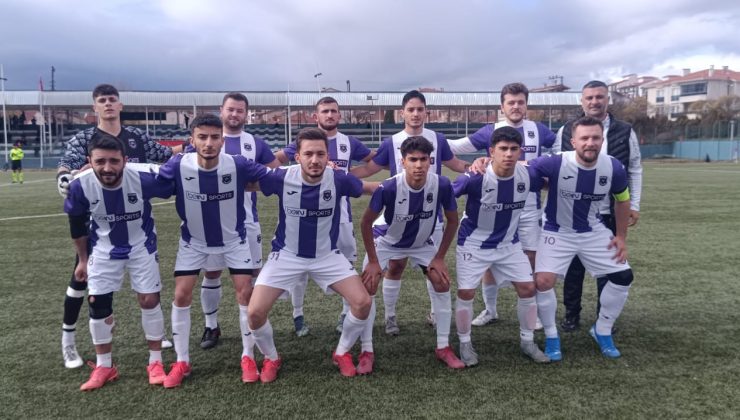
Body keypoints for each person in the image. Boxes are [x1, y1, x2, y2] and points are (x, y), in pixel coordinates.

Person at [56, 84, 179, 369]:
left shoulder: (136, 136)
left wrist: (192, 147)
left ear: (120, 105)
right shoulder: (85, 138)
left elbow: (165, 154)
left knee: (148, 286)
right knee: (82, 281)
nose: (108, 104)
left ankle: (156, 336)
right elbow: (66, 165)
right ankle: (68, 342)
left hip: (135, 220)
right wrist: (65, 177)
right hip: (99, 225)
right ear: (95, 107)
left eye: (113, 99)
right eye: (102, 100)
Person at [247, 127, 377, 382]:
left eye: (320, 154)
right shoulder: (282, 177)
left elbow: (369, 187)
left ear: (328, 156)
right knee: (254, 313)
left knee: (363, 303)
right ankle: (271, 357)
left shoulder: (339, 179)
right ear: (298, 157)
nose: (314, 160)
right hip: (286, 255)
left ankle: (341, 352)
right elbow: (247, 184)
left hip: (327, 255)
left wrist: (405, 182)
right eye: (308, 154)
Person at [156, 114, 269, 388]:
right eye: (202, 137)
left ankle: (248, 356)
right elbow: (148, 179)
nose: (208, 143)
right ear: (192, 140)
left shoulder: (237, 164)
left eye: (214, 137)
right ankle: (182, 360)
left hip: (233, 241)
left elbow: (274, 176)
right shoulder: (178, 164)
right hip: (194, 241)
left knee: (245, 292)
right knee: (181, 294)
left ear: (222, 140)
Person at [351, 90, 469, 334]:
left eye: (420, 109)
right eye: (411, 109)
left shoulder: (438, 139)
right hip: (400, 214)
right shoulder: (392, 142)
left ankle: (435, 314)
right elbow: (370, 169)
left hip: (431, 216)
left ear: (426, 112)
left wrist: (478, 165)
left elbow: (456, 164)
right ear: (402, 113)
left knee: (433, 270)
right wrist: (339, 175)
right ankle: (390, 317)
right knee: (395, 267)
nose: (415, 114)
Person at [64, 132, 173, 391]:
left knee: (149, 299)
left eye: (114, 161)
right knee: (97, 302)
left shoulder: (144, 177)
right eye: (100, 161)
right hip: (103, 249)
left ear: (125, 160)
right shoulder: (80, 185)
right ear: (89, 161)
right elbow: (76, 224)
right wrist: (82, 260)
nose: (107, 167)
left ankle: (155, 362)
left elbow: (177, 177)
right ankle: (105, 366)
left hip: (141, 246)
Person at [449, 82, 555, 327]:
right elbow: (455, 146)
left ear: (526, 104)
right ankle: (490, 310)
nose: (516, 106)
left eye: (520, 102)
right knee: (488, 257)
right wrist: (471, 162)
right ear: (502, 106)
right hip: (495, 203)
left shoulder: (539, 130)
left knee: (530, 258)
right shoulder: (490, 131)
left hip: (528, 207)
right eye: (511, 102)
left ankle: (532, 311)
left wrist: (538, 163)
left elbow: (563, 149)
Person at [529, 116, 635, 360]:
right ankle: (552, 336)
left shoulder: (613, 167)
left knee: (623, 277)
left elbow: (622, 200)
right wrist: (484, 162)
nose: (590, 143)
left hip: (592, 230)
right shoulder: (555, 162)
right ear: (573, 142)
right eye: (584, 138)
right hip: (556, 230)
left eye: (595, 138)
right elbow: (523, 167)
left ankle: (602, 330)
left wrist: (620, 236)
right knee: (543, 281)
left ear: (602, 140)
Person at [275, 96, 375, 336]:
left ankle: (345, 313)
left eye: (333, 111)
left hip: (340, 215)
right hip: (303, 213)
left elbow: (374, 161)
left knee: (347, 263)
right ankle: (298, 315)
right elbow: (276, 160)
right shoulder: (303, 141)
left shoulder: (349, 142)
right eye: (325, 111)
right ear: (316, 116)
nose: (329, 115)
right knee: (299, 266)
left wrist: (349, 175)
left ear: (339, 115)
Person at [361, 136, 464, 370]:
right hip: (386, 240)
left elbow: (452, 220)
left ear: (430, 161)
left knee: (442, 282)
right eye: (413, 160)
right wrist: (374, 261)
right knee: (369, 284)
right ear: (403, 161)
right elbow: (365, 223)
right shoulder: (388, 187)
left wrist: (439, 258)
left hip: (421, 243)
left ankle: (443, 346)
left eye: (423, 159)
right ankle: (367, 349)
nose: (418, 165)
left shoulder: (442, 184)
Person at [452, 126, 550, 366]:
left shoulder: (529, 175)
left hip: (509, 243)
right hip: (473, 244)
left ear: (520, 151)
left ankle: (527, 342)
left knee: (527, 289)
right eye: (503, 149)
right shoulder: (475, 177)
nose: (508, 154)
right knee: (466, 293)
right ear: (491, 151)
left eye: (514, 149)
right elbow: (446, 195)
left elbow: (552, 182)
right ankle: (465, 343)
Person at [551, 80, 642, 332]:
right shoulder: (566, 130)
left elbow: (635, 168)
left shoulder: (625, 130)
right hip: (574, 211)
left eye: (599, 97)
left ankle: (604, 317)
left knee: (609, 266)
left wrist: (633, 204)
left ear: (607, 100)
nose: (594, 102)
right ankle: (571, 315)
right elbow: (556, 167)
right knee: (573, 268)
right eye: (589, 98)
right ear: (582, 101)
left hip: (610, 210)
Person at [196, 92, 281, 351]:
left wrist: (247, 186)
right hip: (211, 222)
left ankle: (252, 325)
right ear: (221, 110)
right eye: (230, 109)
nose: (234, 114)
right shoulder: (207, 139)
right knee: (212, 273)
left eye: (240, 110)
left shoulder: (255, 144)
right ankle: (211, 325)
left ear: (246, 114)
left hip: (246, 222)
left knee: (251, 275)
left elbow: (275, 175)